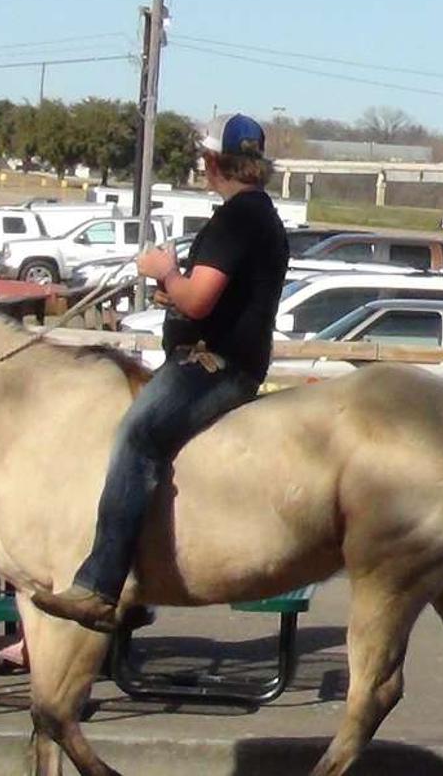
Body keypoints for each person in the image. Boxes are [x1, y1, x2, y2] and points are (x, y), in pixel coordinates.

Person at [33, 114, 290, 632]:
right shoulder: (259, 216)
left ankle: (102, 587)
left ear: (213, 162)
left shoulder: (235, 220)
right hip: (227, 360)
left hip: (213, 366)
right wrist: (172, 289)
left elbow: (198, 300)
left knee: (137, 434)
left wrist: (165, 273)